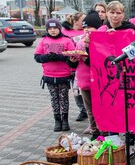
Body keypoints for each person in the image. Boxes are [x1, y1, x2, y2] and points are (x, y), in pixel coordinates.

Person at [98, 0, 135, 156]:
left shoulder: (131, 29)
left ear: (123, 14)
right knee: (111, 108)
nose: (115, 16)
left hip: (127, 76)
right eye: (112, 12)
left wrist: (119, 37)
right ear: (107, 14)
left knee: (129, 111)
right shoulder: (102, 30)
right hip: (109, 78)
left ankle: (130, 144)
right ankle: (113, 142)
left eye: (118, 13)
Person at [67, 11, 103, 140]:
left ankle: (103, 132)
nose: (86, 30)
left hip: (98, 81)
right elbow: (74, 63)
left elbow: (96, 63)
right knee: (90, 110)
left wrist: (86, 56)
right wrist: (72, 60)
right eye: (85, 27)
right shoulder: (80, 41)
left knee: (100, 109)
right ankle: (94, 131)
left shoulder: (100, 41)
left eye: (90, 27)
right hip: (84, 81)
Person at [34, 19, 75, 132]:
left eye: (55, 28)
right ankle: (57, 120)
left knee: (64, 98)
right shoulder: (43, 40)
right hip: (49, 75)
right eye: (50, 28)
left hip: (64, 75)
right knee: (54, 98)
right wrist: (46, 57)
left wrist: (60, 57)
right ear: (47, 29)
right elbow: (37, 56)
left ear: (59, 28)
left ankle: (65, 120)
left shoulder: (67, 40)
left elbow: (73, 55)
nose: (53, 30)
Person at [61, 12, 89, 123]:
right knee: (76, 90)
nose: (84, 22)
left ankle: (87, 109)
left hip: (83, 65)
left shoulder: (85, 31)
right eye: (82, 19)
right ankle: (82, 110)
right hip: (71, 65)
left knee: (83, 89)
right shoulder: (65, 32)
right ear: (76, 21)